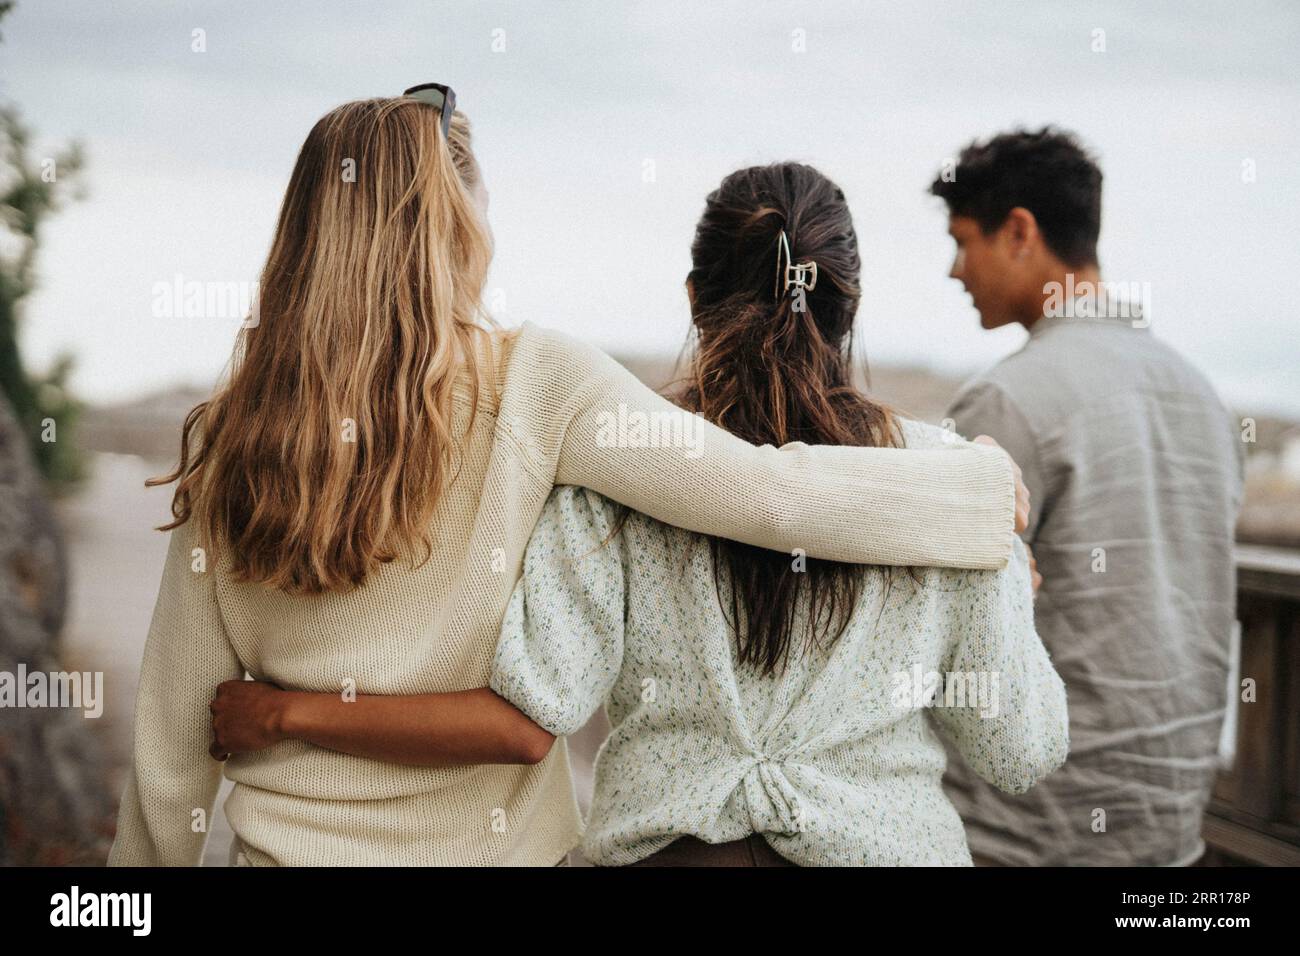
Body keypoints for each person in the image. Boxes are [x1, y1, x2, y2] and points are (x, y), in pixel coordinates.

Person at [107, 91, 1028, 867]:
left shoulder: (230, 436)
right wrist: (976, 491)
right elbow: (770, 498)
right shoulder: (539, 382)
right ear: (461, 221)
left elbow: (171, 747)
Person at [930, 127, 1245, 866]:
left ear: (1019, 232)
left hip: (1023, 834)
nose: (954, 270)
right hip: (1171, 832)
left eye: (963, 241)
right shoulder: (1203, 397)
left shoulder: (1006, 402)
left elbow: (938, 622)